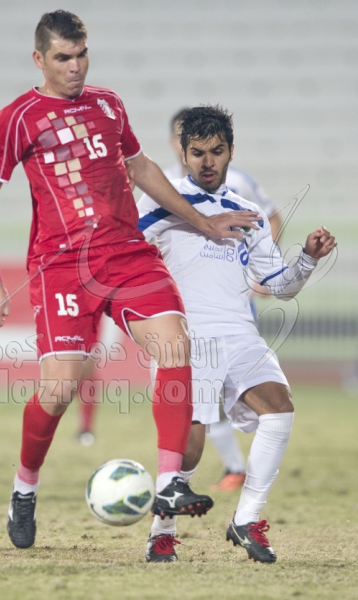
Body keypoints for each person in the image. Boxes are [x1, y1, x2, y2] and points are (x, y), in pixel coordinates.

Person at [0, 12, 261, 550]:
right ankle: (25, 487)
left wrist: (203, 222)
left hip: (127, 254)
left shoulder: (108, 104)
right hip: (62, 266)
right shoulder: (16, 119)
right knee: (59, 389)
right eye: (63, 57)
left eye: (82, 54)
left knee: (175, 344)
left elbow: (141, 168)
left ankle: (170, 484)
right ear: (39, 59)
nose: (75, 66)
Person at [138, 105, 336, 563]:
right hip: (186, 337)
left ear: (231, 151)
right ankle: (161, 532)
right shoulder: (161, 202)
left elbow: (279, 286)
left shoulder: (248, 214)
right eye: (197, 153)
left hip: (240, 333)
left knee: (279, 410)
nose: (207, 161)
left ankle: (246, 519)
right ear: (183, 154)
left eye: (217, 151)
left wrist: (307, 259)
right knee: (188, 450)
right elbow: (124, 247)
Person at [164, 108, 283, 493]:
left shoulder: (240, 183)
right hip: (184, 316)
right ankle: (228, 468)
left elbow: (272, 218)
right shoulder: (162, 188)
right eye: (190, 144)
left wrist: (261, 269)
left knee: (228, 394)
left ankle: (229, 471)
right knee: (199, 403)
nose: (206, 157)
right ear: (179, 146)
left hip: (232, 309)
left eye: (215, 149)